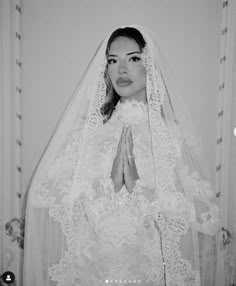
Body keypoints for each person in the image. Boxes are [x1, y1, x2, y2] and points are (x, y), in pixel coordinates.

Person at [23, 25, 220, 286]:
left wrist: (141, 188)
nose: (122, 69)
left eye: (134, 58)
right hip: (90, 275)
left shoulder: (172, 138)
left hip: (149, 276)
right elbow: (42, 200)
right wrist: (107, 185)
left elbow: (207, 221)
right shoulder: (87, 135)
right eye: (113, 61)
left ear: (150, 65)